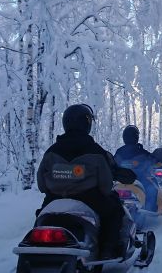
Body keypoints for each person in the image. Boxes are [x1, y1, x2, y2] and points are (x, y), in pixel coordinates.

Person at [36, 104, 124, 259]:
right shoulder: (96, 151)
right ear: (87, 123)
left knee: (41, 217)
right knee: (115, 211)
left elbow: (41, 185)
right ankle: (107, 249)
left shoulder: (51, 151)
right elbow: (105, 186)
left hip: (54, 200)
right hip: (90, 199)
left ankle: (36, 248)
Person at [114, 125, 159, 212]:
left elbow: (113, 162)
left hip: (120, 179)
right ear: (136, 137)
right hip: (139, 178)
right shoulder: (141, 150)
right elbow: (153, 159)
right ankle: (151, 208)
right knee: (152, 188)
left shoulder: (119, 151)